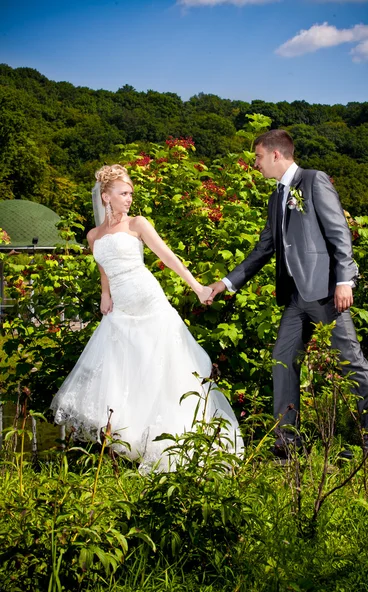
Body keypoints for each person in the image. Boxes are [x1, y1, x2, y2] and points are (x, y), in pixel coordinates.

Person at [51, 164, 243, 472]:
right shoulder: (93, 235)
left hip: (149, 302)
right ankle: (136, 443)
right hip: (121, 311)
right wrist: (105, 293)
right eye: (123, 193)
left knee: (165, 370)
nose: (128, 199)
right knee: (125, 374)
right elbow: (104, 267)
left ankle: (176, 445)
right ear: (105, 197)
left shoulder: (137, 223)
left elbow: (167, 256)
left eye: (130, 194)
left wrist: (196, 287)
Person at [206, 129, 368, 459]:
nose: (255, 164)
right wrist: (226, 283)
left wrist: (345, 280)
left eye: (258, 157)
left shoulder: (313, 181)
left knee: (350, 363)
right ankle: (287, 445)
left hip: (325, 293)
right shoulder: (276, 197)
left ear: (276, 155)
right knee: (283, 361)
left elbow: (339, 233)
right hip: (295, 297)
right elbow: (264, 249)